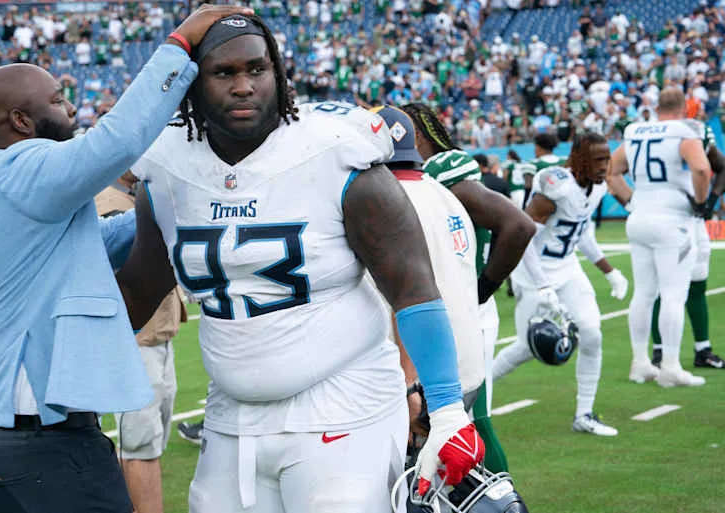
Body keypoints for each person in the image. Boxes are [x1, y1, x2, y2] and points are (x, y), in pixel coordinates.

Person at [126, 15, 484, 512]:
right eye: (224, 73)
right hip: (231, 411)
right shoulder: (168, 168)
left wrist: (447, 411)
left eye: (258, 68)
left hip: (344, 403)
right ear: (193, 82)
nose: (244, 86)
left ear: (279, 73)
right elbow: (139, 289)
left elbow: (413, 289)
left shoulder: (336, 150)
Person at [0, 5, 252, 513]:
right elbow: (117, 141)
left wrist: (194, 200)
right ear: (22, 121)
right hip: (37, 444)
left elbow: (111, 234)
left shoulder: (5, 184)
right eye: (61, 101)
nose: (73, 111)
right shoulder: (25, 165)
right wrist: (178, 47)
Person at [399, 102, 535, 474]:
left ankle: (500, 495)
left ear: (422, 136)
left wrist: (483, 288)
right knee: (460, 421)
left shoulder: (445, 173)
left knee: (465, 420)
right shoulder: (423, 175)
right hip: (444, 308)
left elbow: (519, 226)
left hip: (458, 310)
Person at [493, 132, 629, 436]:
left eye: (607, 159)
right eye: (598, 159)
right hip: (534, 273)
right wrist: (542, 286)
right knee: (528, 347)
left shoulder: (595, 189)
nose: (605, 166)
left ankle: (584, 414)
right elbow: (522, 237)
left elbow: (581, 231)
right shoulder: (556, 188)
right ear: (578, 159)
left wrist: (609, 270)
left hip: (567, 270)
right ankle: (472, 400)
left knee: (592, 334)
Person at [94, 174, 188, 513]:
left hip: (156, 335)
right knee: (138, 447)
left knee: (150, 444)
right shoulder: (109, 201)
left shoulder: (137, 194)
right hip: (134, 341)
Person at [607, 88, 711, 387]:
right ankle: (670, 366)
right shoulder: (684, 130)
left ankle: (640, 363)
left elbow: (612, 170)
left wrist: (631, 201)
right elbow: (702, 169)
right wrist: (701, 204)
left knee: (644, 293)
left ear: (657, 107)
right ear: (682, 107)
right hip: (673, 219)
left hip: (640, 217)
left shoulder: (635, 130)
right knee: (673, 294)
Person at [647, 118, 725, 369]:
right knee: (663, 287)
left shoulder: (694, 129)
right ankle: (661, 352)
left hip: (683, 219)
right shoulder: (659, 130)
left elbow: (721, 166)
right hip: (671, 218)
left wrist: (710, 201)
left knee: (693, 284)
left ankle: (699, 349)